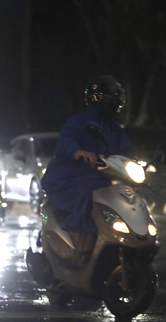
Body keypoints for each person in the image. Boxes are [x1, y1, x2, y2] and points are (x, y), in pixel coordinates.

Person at [40, 75, 134, 263]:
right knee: (90, 194)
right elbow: (66, 142)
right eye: (110, 97)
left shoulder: (115, 128)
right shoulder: (78, 122)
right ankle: (80, 244)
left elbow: (127, 151)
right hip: (71, 177)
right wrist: (78, 152)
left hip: (103, 178)